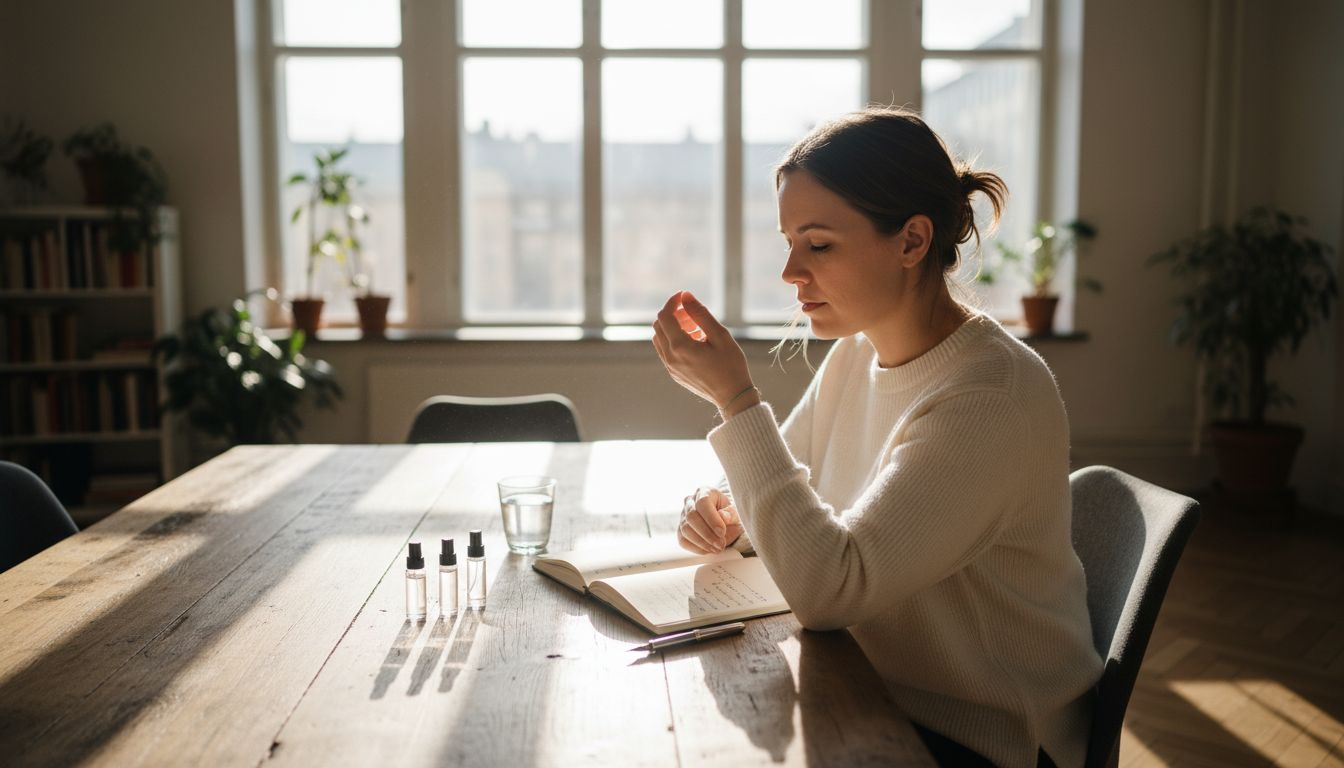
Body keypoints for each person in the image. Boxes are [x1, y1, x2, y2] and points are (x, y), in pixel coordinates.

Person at [650, 107, 1103, 768]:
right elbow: (789, 480)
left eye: (819, 244)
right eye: (789, 242)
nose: (791, 273)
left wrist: (736, 399)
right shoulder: (858, 354)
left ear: (912, 242)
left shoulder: (988, 396)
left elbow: (833, 591)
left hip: (982, 736)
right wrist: (726, 510)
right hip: (871, 689)